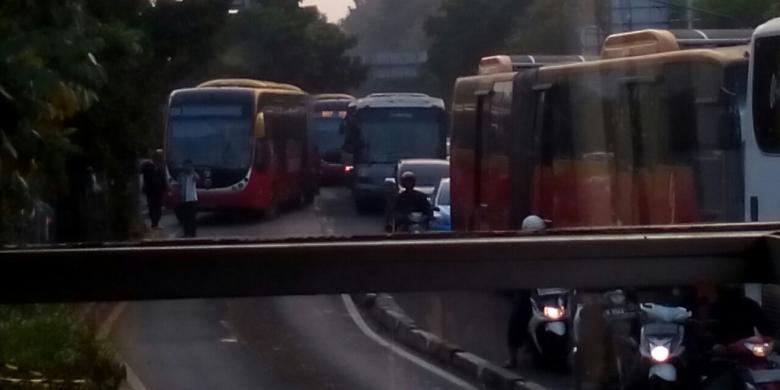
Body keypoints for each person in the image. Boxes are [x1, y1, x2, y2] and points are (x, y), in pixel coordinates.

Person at [142, 152, 166, 228]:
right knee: (152, 207)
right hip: (151, 191)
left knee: (158, 208)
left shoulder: (161, 168)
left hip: (159, 191)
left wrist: (165, 187)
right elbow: (143, 172)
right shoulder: (148, 167)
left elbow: (163, 178)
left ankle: (156, 222)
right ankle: (154, 223)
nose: (157, 161)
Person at [176, 160, 200, 238]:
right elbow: (179, 186)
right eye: (186, 166)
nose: (187, 168)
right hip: (183, 200)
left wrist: (193, 171)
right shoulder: (181, 176)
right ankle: (186, 233)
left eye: (189, 166)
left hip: (192, 199)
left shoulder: (193, 175)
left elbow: (198, 179)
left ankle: (193, 233)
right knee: (185, 218)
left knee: (192, 218)